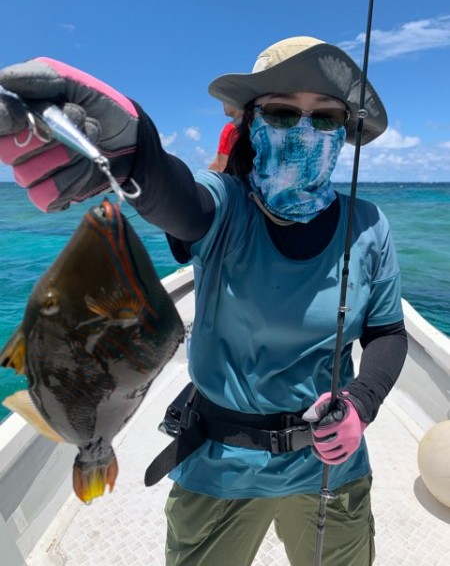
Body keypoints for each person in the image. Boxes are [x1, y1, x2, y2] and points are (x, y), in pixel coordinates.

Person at [0, 36, 408, 566]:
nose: (304, 131)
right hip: (221, 464)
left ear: (344, 132)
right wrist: (134, 153)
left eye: (326, 117)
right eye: (283, 113)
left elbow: (387, 332)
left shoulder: (369, 224)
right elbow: (182, 202)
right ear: (252, 125)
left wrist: (361, 403)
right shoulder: (227, 202)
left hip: (332, 464)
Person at [208, 102, 244, 172]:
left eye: (225, 100)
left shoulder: (230, 128)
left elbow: (221, 166)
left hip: (233, 176)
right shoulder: (251, 123)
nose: (223, 103)